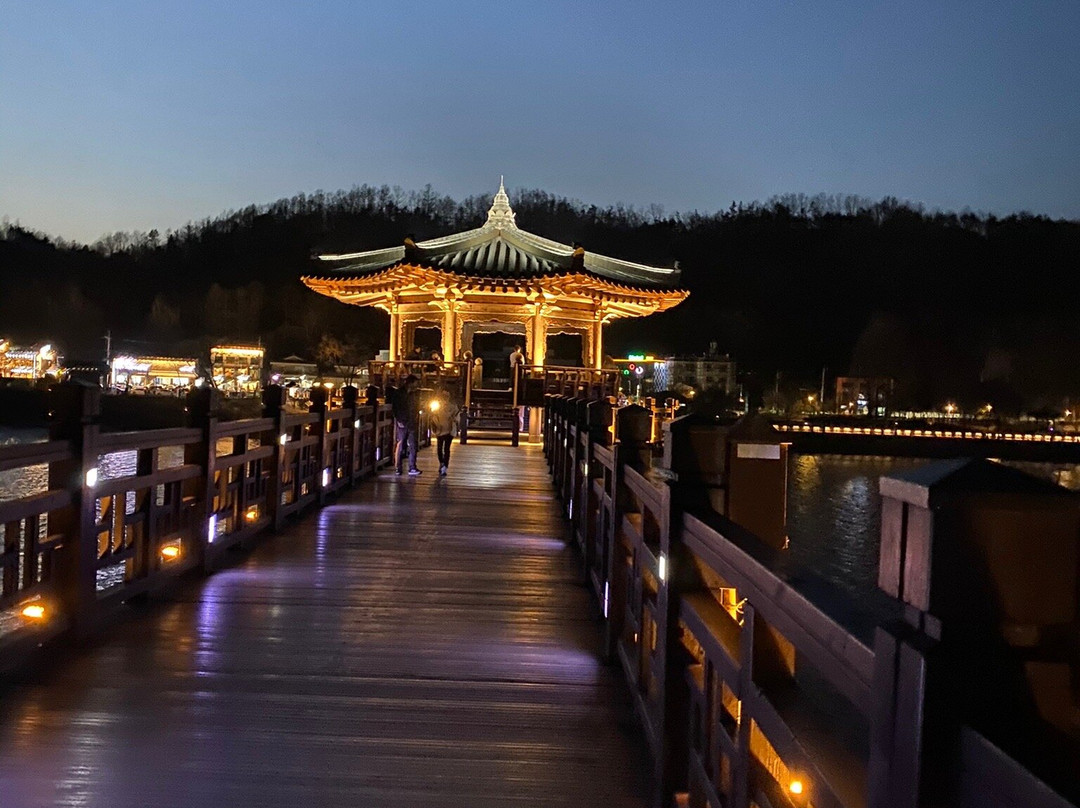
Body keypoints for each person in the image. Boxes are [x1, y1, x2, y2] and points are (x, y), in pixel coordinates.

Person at [391, 374, 422, 476]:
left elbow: (417, 406)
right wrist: (398, 419)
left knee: (413, 445)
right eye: (416, 383)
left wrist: (416, 416)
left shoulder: (414, 394)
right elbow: (395, 407)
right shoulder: (399, 393)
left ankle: (412, 467)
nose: (417, 385)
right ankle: (398, 467)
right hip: (402, 421)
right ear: (411, 383)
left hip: (412, 421)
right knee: (400, 444)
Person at [428, 385, 459, 476]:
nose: (445, 398)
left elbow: (457, 417)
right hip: (440, 430)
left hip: (449, 430)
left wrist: (454, 419)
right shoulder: (437, 406)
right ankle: (441, 463)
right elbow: (433, 416)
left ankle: (445, 466)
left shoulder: (453, 406)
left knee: (446, 449)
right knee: (439, 448)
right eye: (444, 396)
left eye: (447, 396)